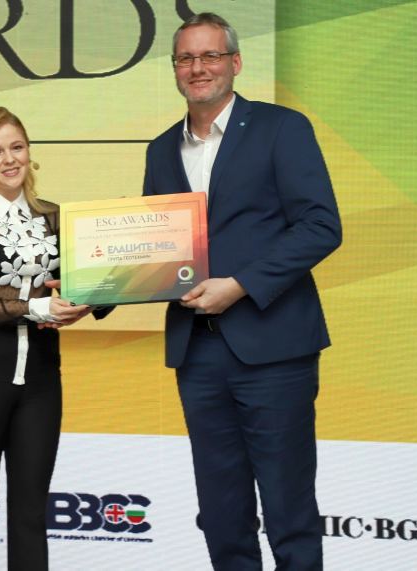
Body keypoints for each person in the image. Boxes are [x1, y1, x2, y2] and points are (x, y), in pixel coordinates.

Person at [142, 13, 342, 570]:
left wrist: (241, 286)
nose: (198, 68)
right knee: (221, 512)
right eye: (186, 58)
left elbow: (321, 226)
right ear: (175, 69)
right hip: (197, 353)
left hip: (274, 348)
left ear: (235, 62)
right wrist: (93, 289)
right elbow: (154, 249)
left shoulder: (282, 128)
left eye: (210, 56)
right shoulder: (160, 150)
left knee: (288, 507)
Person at [0, 106, 109, 570]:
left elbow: (88, 287)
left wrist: (90, 299)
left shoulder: (53, 216)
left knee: (32, 511)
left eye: (17, 147)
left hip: (41, 381)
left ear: (29, 152)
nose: (10, 159)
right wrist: (35, 307)